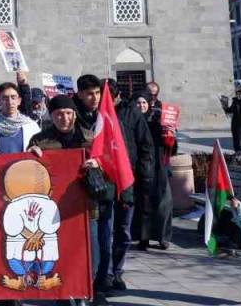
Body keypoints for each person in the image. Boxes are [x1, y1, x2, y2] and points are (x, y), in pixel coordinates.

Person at [27, 94, 103, 305]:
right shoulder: (40, 140)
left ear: (75, 115)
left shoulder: (90, 138)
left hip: (85, 208)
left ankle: (83, 294)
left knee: (90, 258)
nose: (65, 118)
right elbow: (30, 172)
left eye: (69, 113)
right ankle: (63, 297)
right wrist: (31, 154)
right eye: (59, 114)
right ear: (52, 116)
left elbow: (108, 163)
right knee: (60, 258)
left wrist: (98, 164)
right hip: (53, 212)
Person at [74, 74, 116, 304]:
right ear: (80, 94)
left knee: (105, 240)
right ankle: (87, 287)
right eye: (89, 94)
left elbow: (118, 149)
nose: (94, 98)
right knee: (90, 245)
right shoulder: (72, 117)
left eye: (97, 93)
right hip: (83, 193)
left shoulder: (106, 115)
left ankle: (101, 284)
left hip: (106, 188)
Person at [109, 82, 154, 292]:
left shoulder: (131, 114)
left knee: (123, 230)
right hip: (103, 183)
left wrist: (143, 176)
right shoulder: (95, 115)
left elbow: (146, 146)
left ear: (117, 95)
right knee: (105, 231)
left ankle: (117, 270)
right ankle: (104, 272)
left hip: (127, 181)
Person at [132, 94, 175, 251]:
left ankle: (163, 237)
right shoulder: (132, 121)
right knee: (144, 203)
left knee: (164, 202)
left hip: (160, 165)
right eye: (138, 102)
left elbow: (171, 147)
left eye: (144, 102)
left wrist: (170, 135)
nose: (141, 105)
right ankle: (143, 238)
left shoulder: (159, 120)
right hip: (142, 166)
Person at [0, 82, 41, 155]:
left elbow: (42, 151)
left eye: (13, 98)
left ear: (19, 101)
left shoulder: (32, 126)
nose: (10, 102)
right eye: (5, 98)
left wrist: (36, 148)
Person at [220, 89, 241, 154]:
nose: (238, 96)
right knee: (235, 136)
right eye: (237, 94)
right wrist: (224, 105)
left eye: (240, 94)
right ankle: (236, 150)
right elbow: (230, 110)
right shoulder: (235, 101)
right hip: (235, 122)